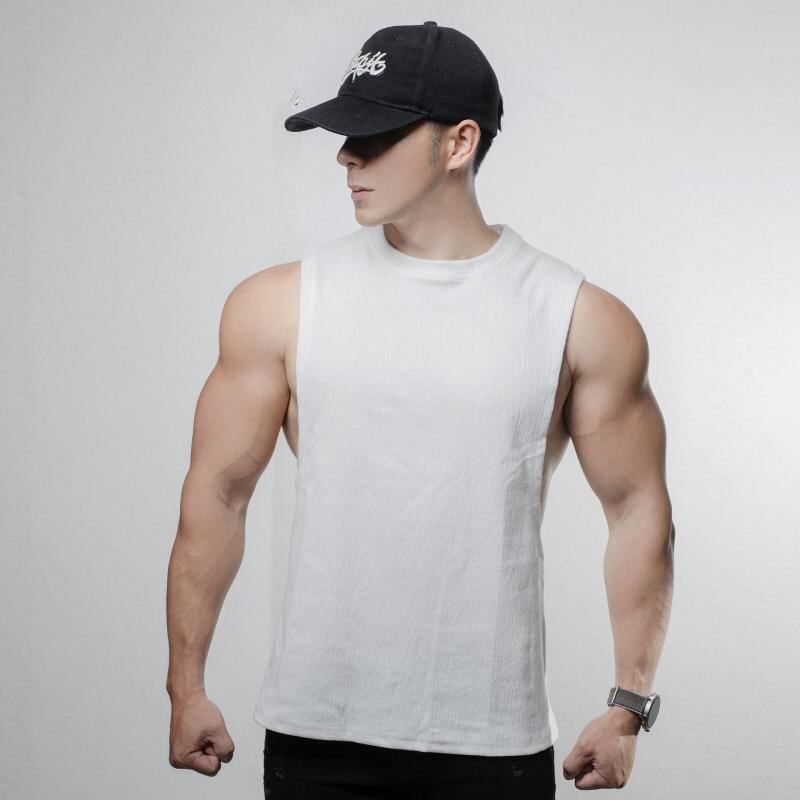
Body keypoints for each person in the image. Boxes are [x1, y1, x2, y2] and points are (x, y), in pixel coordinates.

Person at [165, 20, 675, 799]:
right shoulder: (278, 305)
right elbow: (218, 493)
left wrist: (628, 707)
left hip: (492, 743)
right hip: (317, 735)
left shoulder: (578, 317)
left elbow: (638, 510)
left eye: (374, 136)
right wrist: (186, 686)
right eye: (346, 134)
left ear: (459, 142)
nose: (345, 156)